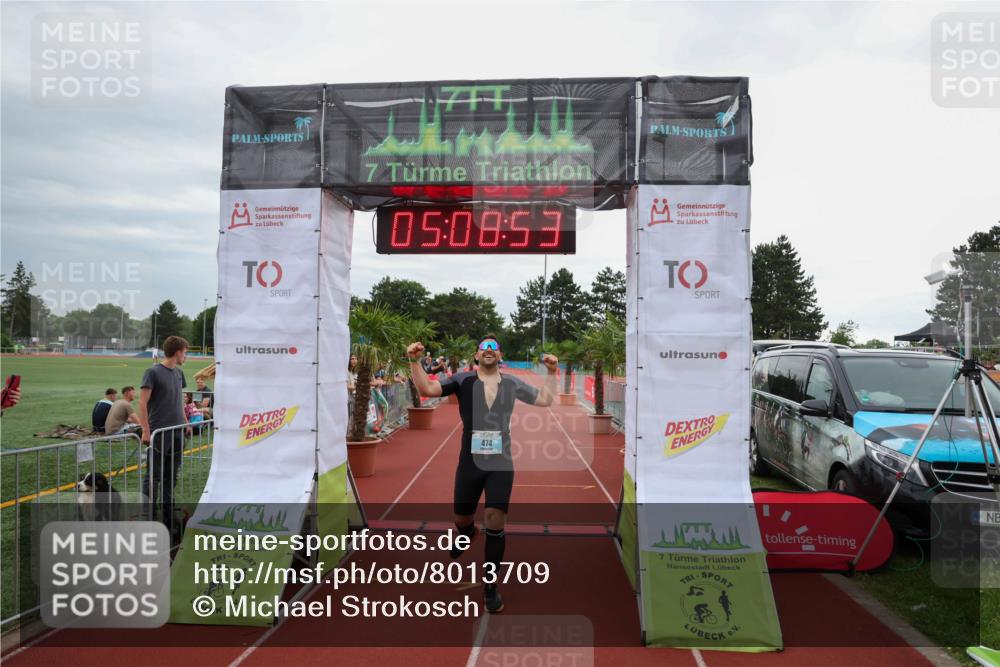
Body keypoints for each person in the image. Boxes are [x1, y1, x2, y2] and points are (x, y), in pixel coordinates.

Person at [408, 333, 558, 614]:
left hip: (500, 462)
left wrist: (551, 372)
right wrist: (414, 361)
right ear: (476, 356)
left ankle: (491, 585)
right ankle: (466, 532)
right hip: (470, 462)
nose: (489, 350)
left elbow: (545, 399)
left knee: (495, 519)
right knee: (461, 518)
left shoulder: (511, 383)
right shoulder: (463, 380)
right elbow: (427, 390)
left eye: (494, 348)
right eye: (483, 347)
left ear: (500, 356)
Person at [138, 335, 188, 541]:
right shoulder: (152, 372)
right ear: (177, 352)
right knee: (153, 477)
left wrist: (185, 422)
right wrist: (146, 430)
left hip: (177, 432)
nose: (186, 356)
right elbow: (142, 403)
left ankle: (167, 518)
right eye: (185, 352)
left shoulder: (179, 373)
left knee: (171, 476)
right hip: (159, 433)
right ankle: (148, 517)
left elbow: (178, 401)